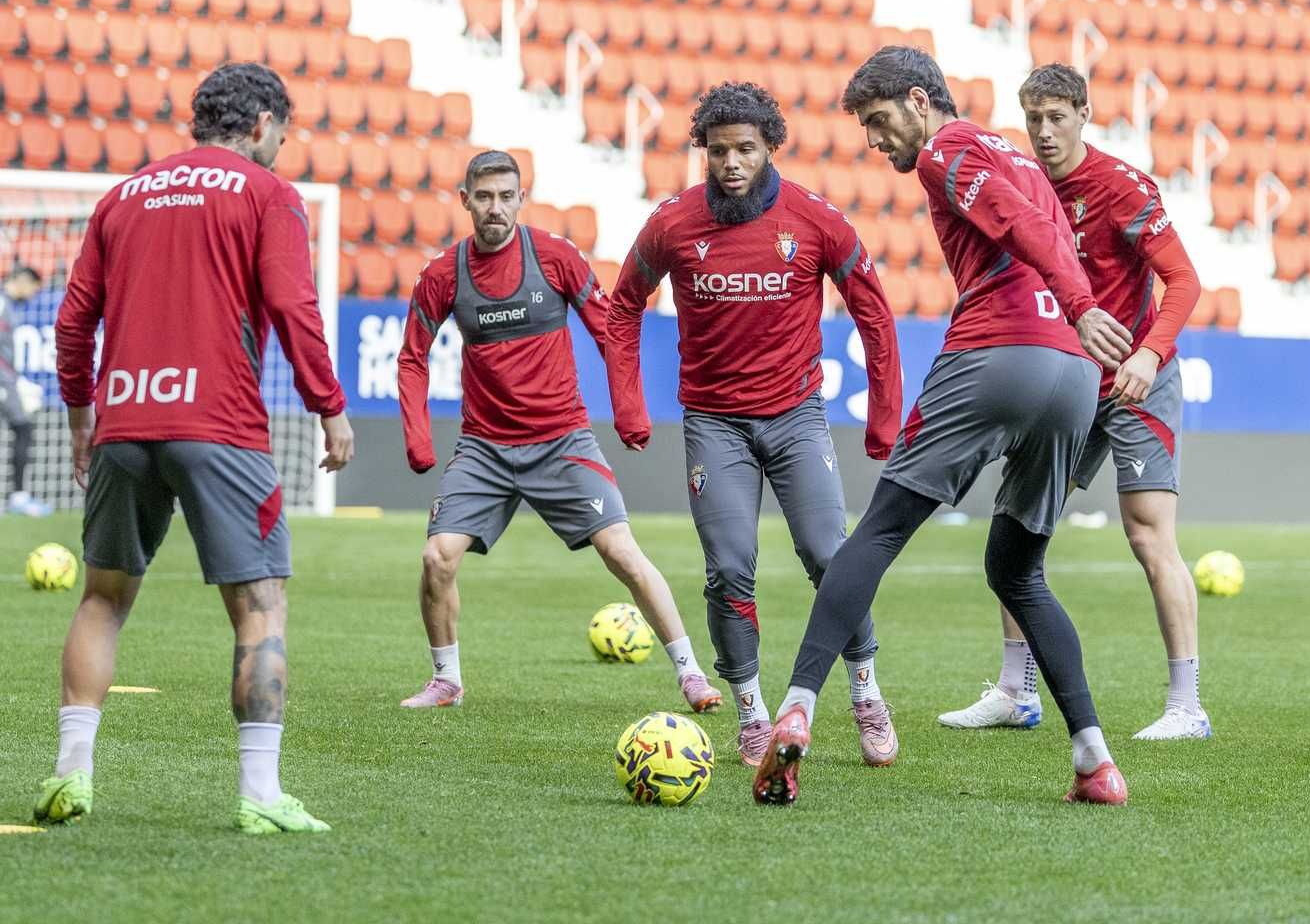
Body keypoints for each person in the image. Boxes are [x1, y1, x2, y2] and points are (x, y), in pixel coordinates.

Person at [751, 46, 1135, 807]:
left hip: (1001, 353)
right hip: (1070, 374)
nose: (876, 140)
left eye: (881, 120)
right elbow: (1049, 230)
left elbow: (1021, 227)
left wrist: (1084, 305)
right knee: (1018, 570)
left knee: (878, 533)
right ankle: (1096, 761)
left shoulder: (947, 152)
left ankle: (796, 705)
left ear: (921, 102)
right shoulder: (1018, 154)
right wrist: (1083, 311)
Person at [38, 62, 355, 833]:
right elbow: (290, 302)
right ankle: (260, 794)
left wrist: (84, 420)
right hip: (220, 426)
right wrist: (329, 407)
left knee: (103, 598)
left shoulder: (122, 198)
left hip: (123, 424)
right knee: (260, 609)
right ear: (260, 125)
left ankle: (70, 776)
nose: (281, 147)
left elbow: (74, 322)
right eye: (281, 132)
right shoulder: (266, 193)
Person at [605, 82, 903, 767]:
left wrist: (885, 415)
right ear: (703, 153)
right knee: (729, 568)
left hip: (797, 416)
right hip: (714, 424)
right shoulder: (672, 224)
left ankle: (864, 690)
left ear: (771, 147)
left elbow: (875, 315)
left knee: (833, 557)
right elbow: (623, 307)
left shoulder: (815, 221)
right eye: (718, 151)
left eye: (745, 149)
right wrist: (628, 400)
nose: (732, 163)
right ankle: (752, 714)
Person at [397, 151, 721, 717]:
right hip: (485, 448)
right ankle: (446, 678)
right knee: (436, 558)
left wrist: (630, 412)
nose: (494, 207)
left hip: (562, 439)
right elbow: (411, 359)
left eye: (505, 196)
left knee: (621, 551)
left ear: (520, 199)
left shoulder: (555, 256)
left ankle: (690, 672)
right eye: (484, 196)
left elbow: (610, 331)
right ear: (465, 199)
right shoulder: (442, 275)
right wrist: (418, 438)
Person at [938, 64, 1208, 739]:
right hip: (1068, 376)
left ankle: (1186, 705)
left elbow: (1183, 280)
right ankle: (1015, 692)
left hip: (1138, 374)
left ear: (1085, 114)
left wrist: (1148, 354)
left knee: (1148, 533)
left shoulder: (1120, 187)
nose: (1045, 131)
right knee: (1018, 526)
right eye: (1034, 118)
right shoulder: (1021, 186)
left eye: (1058, 116)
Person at [0, 263, 50, 515]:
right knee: (23, 428)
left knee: (22, 428)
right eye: (33, 289)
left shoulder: (8, 304)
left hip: (7, 379)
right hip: (2, 380)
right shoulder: (1, 302)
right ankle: (18, 497)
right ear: (23, 281)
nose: (33, 296)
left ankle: (18, 495)